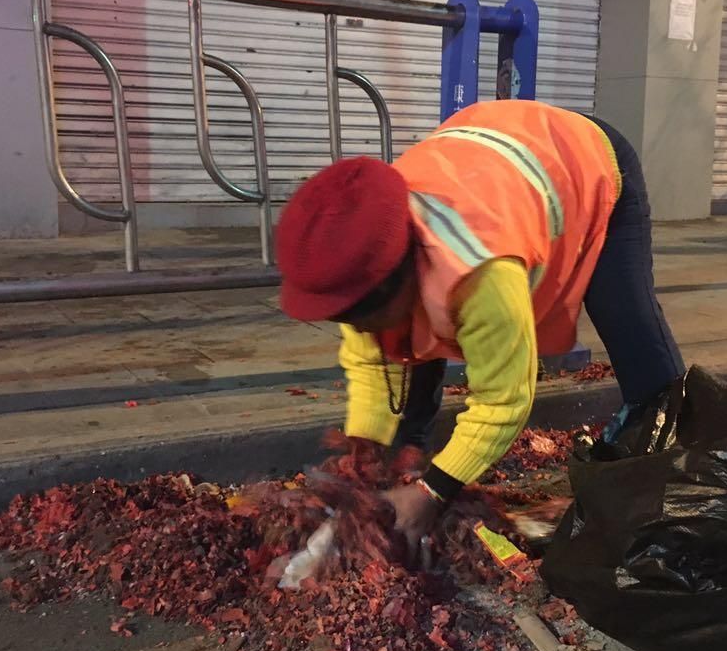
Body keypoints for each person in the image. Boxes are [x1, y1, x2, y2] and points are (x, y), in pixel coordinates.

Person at [275, 99, 684, 558]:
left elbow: (504, 401)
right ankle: (409, 470)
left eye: (359, 319)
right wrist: (365, 456)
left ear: (399, 277)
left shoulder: (482, 270)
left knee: (629, 325)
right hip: (490, 152)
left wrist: (433, 491)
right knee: (403, 351)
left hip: (587, 159)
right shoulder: (362, 253)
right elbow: (372, 365)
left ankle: (683, 483)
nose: (356, 331)